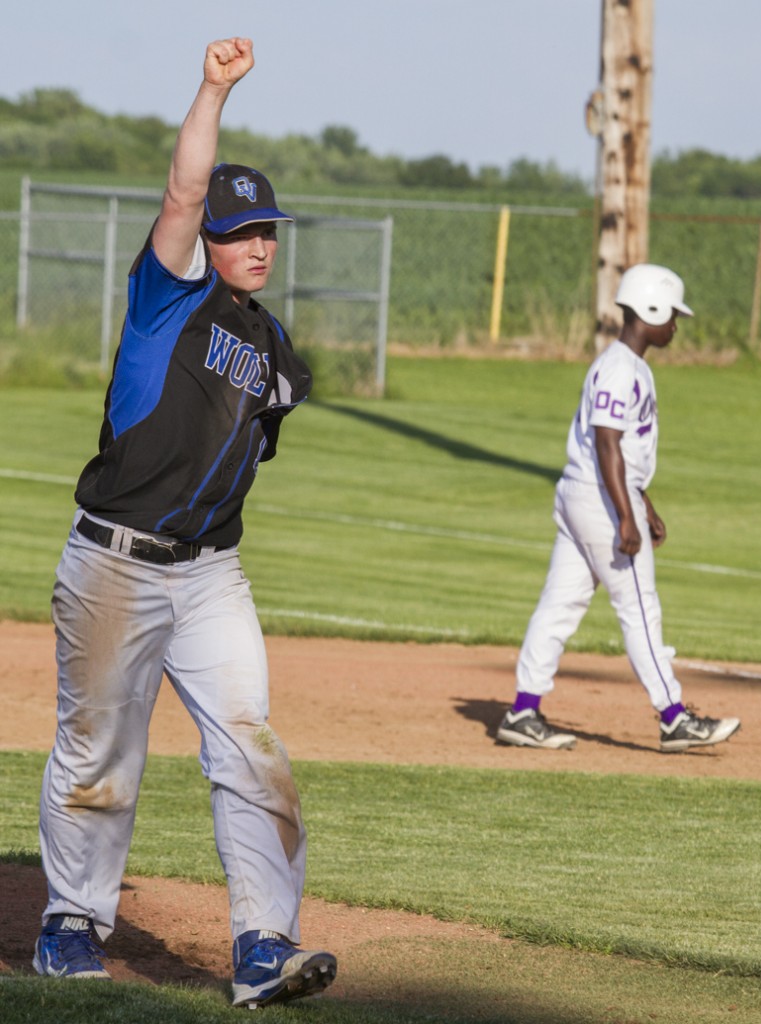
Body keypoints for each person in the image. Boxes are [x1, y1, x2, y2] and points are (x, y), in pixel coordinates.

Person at [33, 37, 337, 1008]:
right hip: (116, 564)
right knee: (98, 750)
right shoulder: (168, 296)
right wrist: (213, 89)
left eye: (268, 230)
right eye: (238, 227)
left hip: (211, 575)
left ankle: (260, 945)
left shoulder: (277, 350)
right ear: (205, 236)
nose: (257, 243)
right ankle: (70, 922)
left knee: (250, 740)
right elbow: (178, 191)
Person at [497, 264, 741, 754]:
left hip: (589, 493)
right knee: (639, 607)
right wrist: (626, 514)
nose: (675, 325)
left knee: (560, 604)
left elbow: (619, 449)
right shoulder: (619, 368)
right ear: (649, 310)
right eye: (672, 315)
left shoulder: (625, 365)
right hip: (600, 500)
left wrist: (644, 502)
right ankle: (674, 717)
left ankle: (523, 710)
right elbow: (607, 443)